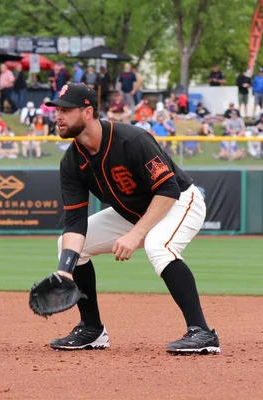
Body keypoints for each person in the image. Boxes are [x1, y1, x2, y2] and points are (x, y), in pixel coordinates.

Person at [40, 83, 220, 355]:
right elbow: (76, 221)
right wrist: (65, 270)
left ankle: (202, 333)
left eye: (66, 110)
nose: (58, 116)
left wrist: (136, 234)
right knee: (70, 247)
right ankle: (92, 329)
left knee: (158, 246)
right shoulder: (71, 162)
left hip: (180, 201)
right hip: (133, 212)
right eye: (57, 110)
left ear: (87, 112)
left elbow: (168, 189)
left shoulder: (132, 140)